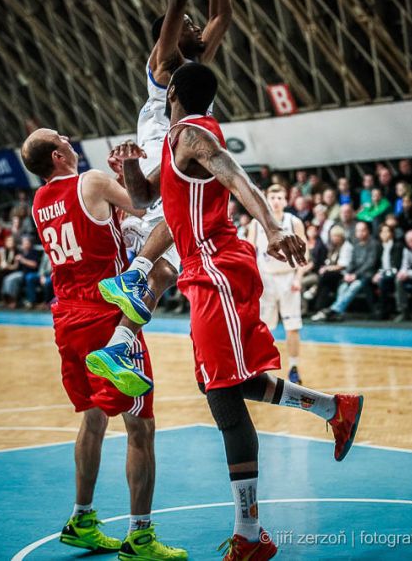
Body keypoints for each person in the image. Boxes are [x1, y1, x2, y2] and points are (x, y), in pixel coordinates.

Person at [102, 63, 364, 561]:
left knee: (222, 399)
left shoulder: (195, 133)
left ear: (172, 91)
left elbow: (232, 169)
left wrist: (270, 223)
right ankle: (336, 408)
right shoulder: (176, 139)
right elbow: (144, 199)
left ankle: (249, 534)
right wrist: (129, 164)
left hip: (217, 270)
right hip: (206, 273)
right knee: (221, 382)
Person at [21, 129, 186, 560]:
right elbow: (143, 201)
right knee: (140, 426)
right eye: (63, 139)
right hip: (105, 314)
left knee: (93, 419)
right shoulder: (90, 181)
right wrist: (149, 167)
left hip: (67, 318)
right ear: (58, 155)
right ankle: (141, 537)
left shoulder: (39, 202)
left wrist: (120, 197)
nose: (70, 140)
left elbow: (95, 221)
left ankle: (82, 518)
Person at [101, 0, 232, 333]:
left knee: (171, 261)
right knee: (174, 224)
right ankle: (132, 271)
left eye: (194, 25)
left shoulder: (195, 63)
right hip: (164, 145)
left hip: (188, 145)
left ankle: (122, 339)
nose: (196, 28)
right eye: (188, 26)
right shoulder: (163, 65)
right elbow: (177, 0)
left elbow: (221, 16)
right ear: (169, 37)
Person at [247, 184, 308, 384]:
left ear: (285, 200)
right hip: (266, 278)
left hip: (289, 279)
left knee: (293, 326)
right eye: (272, 197)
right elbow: (248, 252)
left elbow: (304, 254)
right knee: (263, 327)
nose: (276, 201)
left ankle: (294, 366)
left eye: (280, 198)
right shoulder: (256, 224)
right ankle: (259, 367)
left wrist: (299, 278)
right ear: (266, 199)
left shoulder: (294, 222)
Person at [312, 221, 379, 322]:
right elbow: (351, 262)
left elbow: (370, 263)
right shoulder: (356, 244)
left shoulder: (374, 244)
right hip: (353, 274)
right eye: (358, 230)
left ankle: (332, 310)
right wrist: (348, 273)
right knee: (343, 286)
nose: (360, 233)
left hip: (366, 275)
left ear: (368, 231)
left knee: (354, 286)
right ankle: (339, 313)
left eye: (363, 230)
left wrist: (355, 275)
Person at [305, 226, 353, 313]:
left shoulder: (346, 247)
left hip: (344, 274)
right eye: (332, 236)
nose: (333, 238)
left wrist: (327, 268)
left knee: (325, 276)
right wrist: (326, 267)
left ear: (341, 236)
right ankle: (319, 309)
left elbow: (342, 266)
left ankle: (314, 290)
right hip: (332, 274)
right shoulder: (333, 247)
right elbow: (329, 261)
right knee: (325, 286)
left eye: (335, 236)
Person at [372, 223, 404, 319]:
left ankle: (383, 311)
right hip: (384, 274)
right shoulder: (380, 247)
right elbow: (378, 265)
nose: (384, 234)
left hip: (395, 273)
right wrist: (378, 273)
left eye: (387, 231)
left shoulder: (397, 246)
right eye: (382, 231)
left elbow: (396, 267)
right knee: (368, 279)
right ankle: (375, 310)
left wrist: (380, 274)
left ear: (392, 233)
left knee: (382, 281)